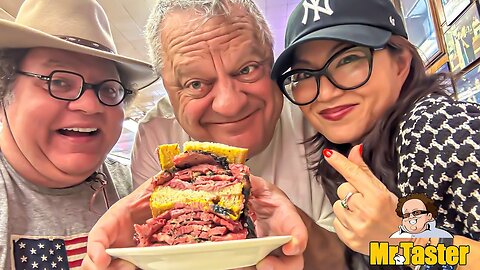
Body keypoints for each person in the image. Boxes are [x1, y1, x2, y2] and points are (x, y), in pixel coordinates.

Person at [83, 0, 346, 269]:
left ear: (271, 58)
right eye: (195, 84)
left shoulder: (315, 111)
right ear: (167, 88)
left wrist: (299, 234)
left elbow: (371, 254)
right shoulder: (157, 134)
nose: (229, 104)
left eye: (247, 69)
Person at [271, 0, 479, 268]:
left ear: (401, 63)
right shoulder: (355, 153)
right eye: (303, 74)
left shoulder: (438, 128)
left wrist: (402, 240)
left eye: (348, 59)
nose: (325, 93)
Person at [0, 0, 157, 269]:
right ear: (4, 90)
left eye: (109, 89)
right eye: (59, 82)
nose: (90, 105)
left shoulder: (138, 187)